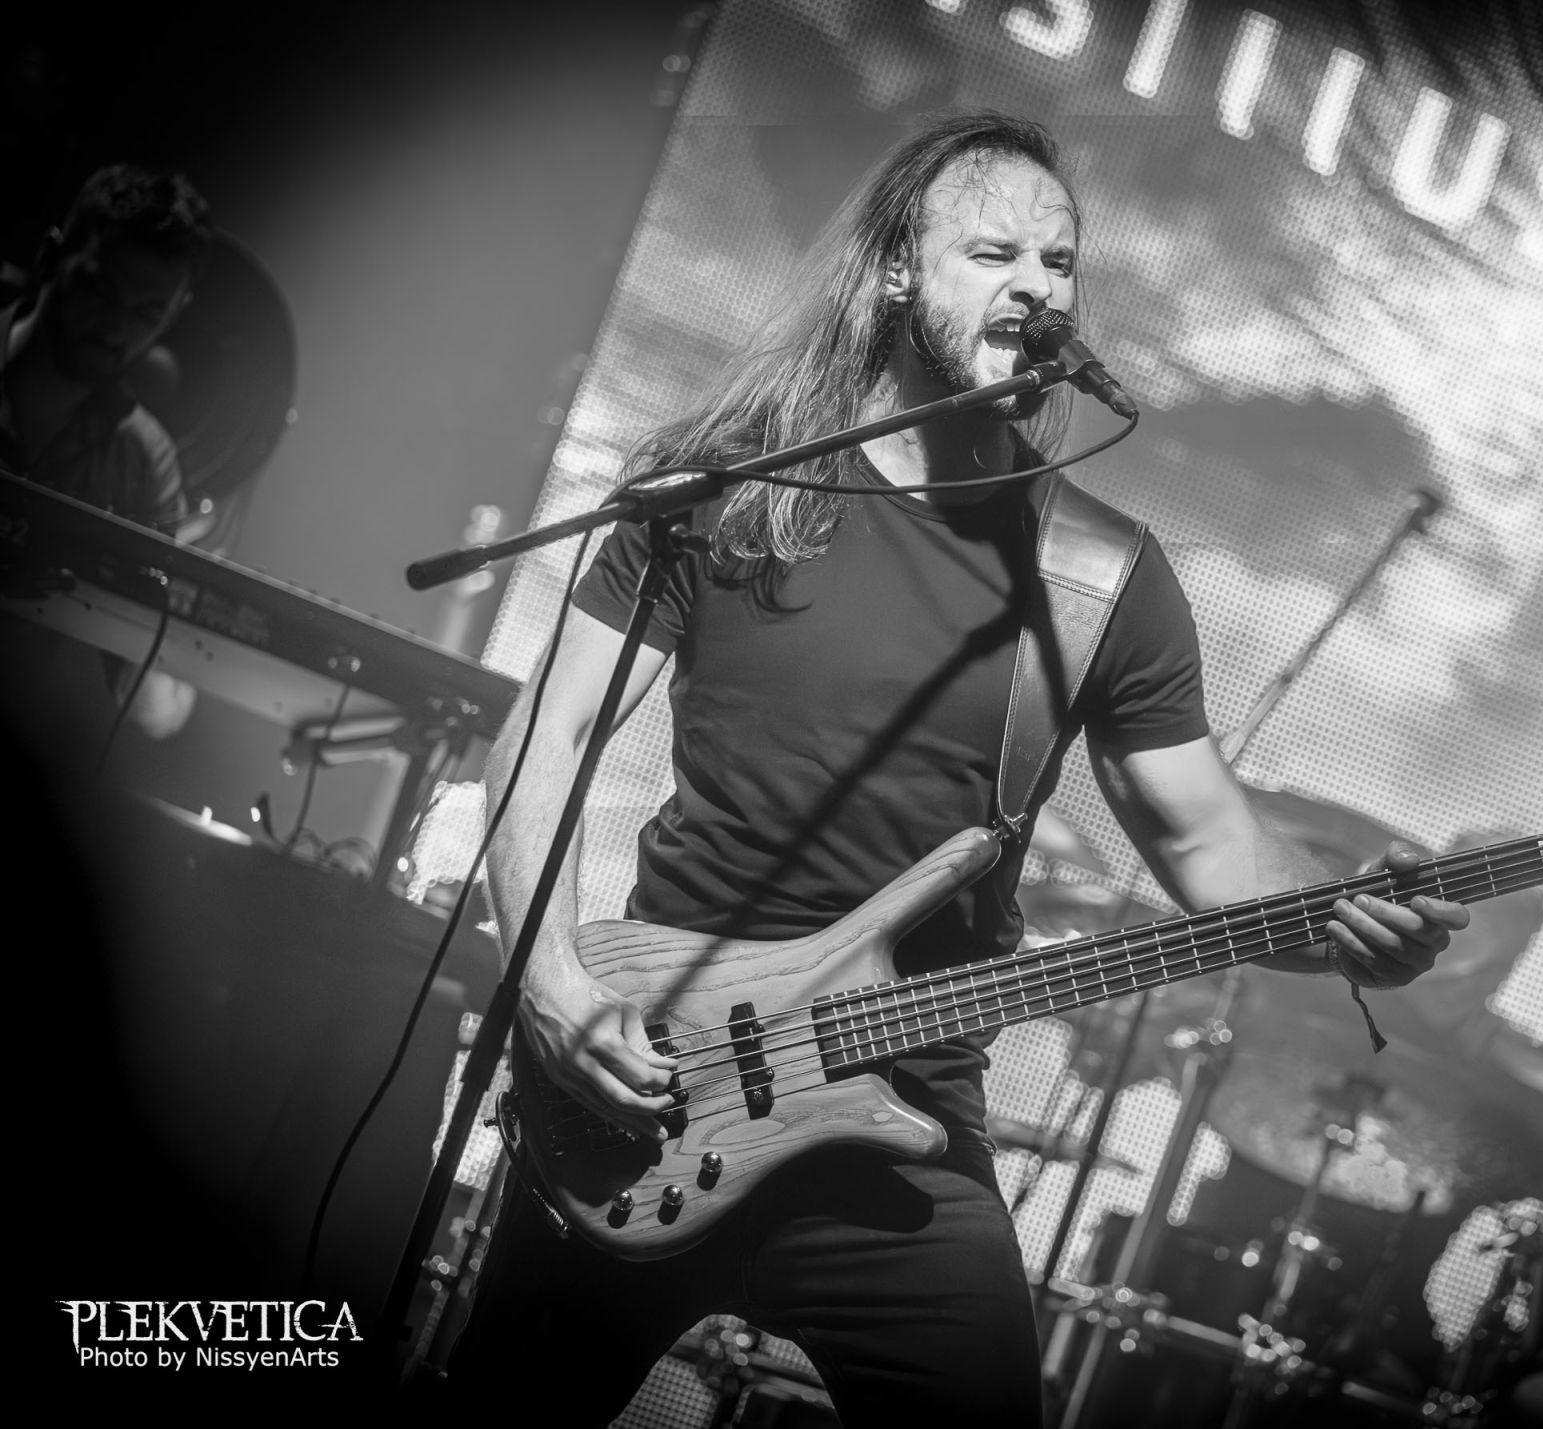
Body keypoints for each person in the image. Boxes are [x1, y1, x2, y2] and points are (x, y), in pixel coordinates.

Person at [446, 112, 1468, 1427]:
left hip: (904, 1107)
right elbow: (547, 732)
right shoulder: (727, 486)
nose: (1039, 287)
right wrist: (547, 983)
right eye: (995, 253)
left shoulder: (1101, 577)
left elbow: (1206, 841)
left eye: (1061, 260)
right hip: (654, 1074)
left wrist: (1339, 926)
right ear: (897, 272)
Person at [1, 163, 211, 739]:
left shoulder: (145, 459)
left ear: (174, 315)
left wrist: (150, 610)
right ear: (52, 257)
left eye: (146, 313)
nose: (116, 328)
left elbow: (154, 713)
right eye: (102, 290)